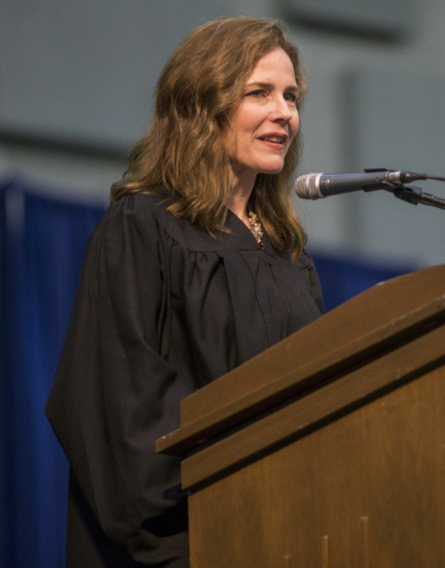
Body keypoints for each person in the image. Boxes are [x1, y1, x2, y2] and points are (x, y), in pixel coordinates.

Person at [45, 17, 324, 568]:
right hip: (188, 543)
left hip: (290, 536)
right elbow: (122, 406)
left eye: (290, 96)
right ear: (203, 104)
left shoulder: (289, 254)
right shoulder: (143, 227)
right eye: (259, 93)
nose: (284, 113)